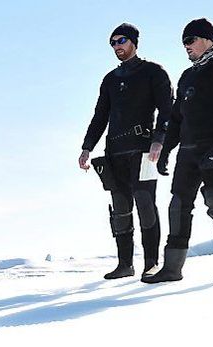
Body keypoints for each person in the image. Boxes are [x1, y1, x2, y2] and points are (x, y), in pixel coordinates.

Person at [145, 18, 213, 283]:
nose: (186, 47)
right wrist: (167, 150)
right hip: (188, 151)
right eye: (184, 43)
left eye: (190, 41)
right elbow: (177, 117)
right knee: (178, 205)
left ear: (207, 39)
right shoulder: (188, 76)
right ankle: (172, 268)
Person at [79, 23, 173, 280]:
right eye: (112, 43)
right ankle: (124, 264)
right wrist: (87, 147)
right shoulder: (110, 79)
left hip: (144, 150)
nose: (117, 46)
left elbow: (167, 108)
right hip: (114, 152)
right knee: (120, 207)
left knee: (145, 202)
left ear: (133, 42)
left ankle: (151, 263)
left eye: (121, 41)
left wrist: (159, 139)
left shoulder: (153, 72)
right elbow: (100, 116)